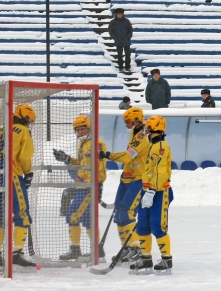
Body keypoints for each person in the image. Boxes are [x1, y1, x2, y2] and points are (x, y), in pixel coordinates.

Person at [0, 104, 37, 268]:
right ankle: (16, 253)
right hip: (12, 173)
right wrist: (28, 173)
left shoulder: (0, 130)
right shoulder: (24, 131)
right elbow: (24, 156)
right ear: (27, 118)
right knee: (22, 212)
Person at [53, 115, 107, 261]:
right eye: (78, 129)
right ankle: (97, 251)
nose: (81, 131)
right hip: (83, 185)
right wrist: (66, 158)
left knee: (73, 215)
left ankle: (79, 250)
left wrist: (92, 183)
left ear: (89, 128)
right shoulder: (83, 144)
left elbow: (98, 167)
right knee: (87, 218)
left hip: (89, 186)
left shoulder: (96, 143)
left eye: (83, 128)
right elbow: (81, 163)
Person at [126, 115, 174, 275]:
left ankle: (166, 260)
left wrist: (153, 190)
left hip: (159, 191)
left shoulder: (161, 146)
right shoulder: (153, 146)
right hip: (148, 191)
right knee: (142, 225)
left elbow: (160, 171)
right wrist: (147, 190)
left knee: (157, 225)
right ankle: (146, 259)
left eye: (148, 128)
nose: (145, 131)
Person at [101, 106, 150, 262]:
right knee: (119, 213)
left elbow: (128, 157)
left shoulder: (143, 135)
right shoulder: (135, 133)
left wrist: (107, 155)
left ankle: (136, 248)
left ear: (136, 120)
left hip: (138, 179)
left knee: (127, 212)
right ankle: (127, 247)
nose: (126, 124)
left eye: (128, 121)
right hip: (127, 179)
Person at [108, 7, 133, 71]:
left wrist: (128, 38)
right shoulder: (112, 22)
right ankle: (121, 66)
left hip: (126, 41)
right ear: (116, 14)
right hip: (118, 41)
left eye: (121, 14)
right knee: (119, 54)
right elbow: (111, 31)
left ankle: (128, 66)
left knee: (127, 54)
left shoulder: (127, 21)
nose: (119, 15)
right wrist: (115, 38)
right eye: (118, 14)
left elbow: (130, 30)